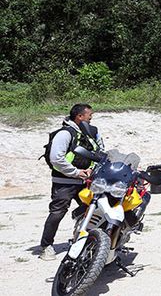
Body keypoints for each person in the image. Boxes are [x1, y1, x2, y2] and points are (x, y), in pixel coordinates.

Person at [39, 103, 103, 261]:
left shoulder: (92, 132)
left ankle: (83, 239)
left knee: (92, 210)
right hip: (64, 181)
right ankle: (46, 246)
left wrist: (91, 171)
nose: (91, 118)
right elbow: (56, 158)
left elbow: (99, 153)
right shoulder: (65, 133)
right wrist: (76, 173)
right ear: (80, 116)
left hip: (86, 181)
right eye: (89, 115)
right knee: (58, 212)